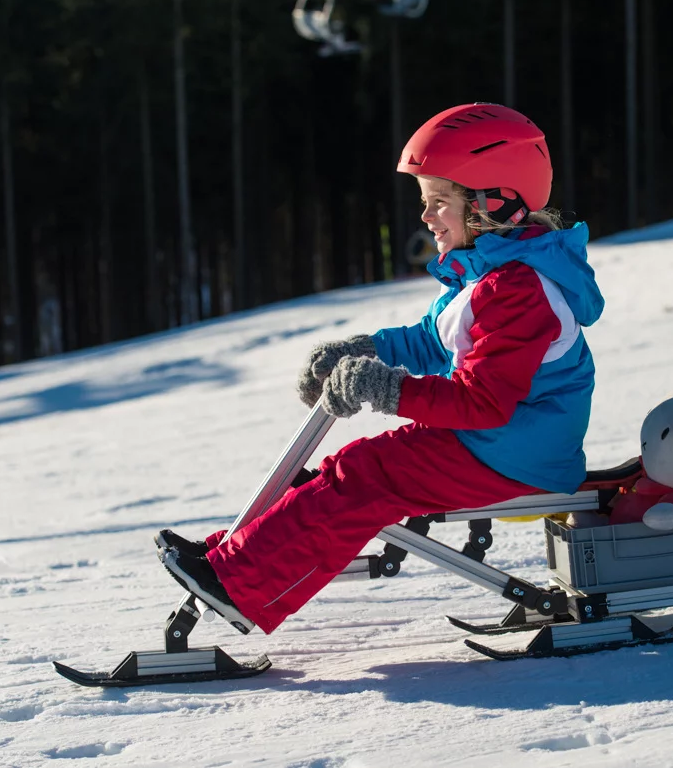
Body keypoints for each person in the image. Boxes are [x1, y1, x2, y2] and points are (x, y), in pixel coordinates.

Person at [157, 102, 605, 635]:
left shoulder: (520, 290)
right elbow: (429, 340)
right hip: (497, 444)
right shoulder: (490, 274)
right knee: (350, 468)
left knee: (367, 476)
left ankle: (239, 585)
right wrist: (365, 350)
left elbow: (484, 402)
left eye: (440, 202)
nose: (426, 217)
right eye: (425, 201)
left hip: (517, 455)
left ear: (494, 204)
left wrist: (387, 389)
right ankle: (231, 560)